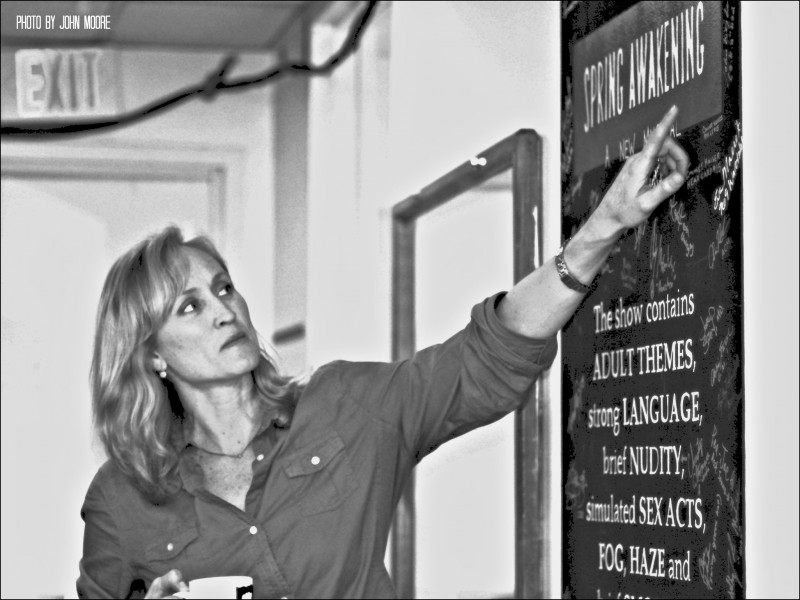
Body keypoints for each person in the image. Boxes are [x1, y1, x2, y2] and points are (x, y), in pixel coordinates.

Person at [77, 106, 688, 599]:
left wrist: (602, 227)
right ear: (152, 355)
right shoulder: (120, 498)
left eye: (223, 288)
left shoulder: (344, 406)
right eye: (188, 307)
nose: (222, 310)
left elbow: (486, 359)